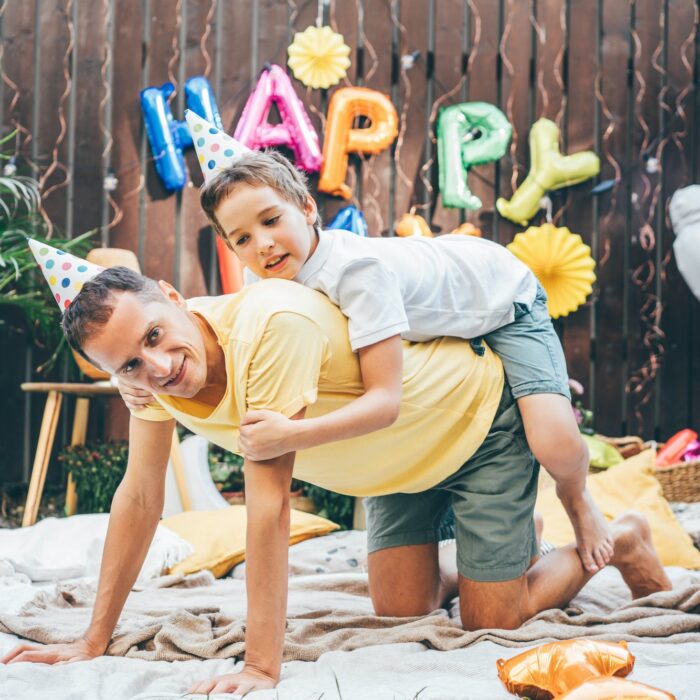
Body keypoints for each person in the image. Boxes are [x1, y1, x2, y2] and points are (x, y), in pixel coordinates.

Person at [2, 252, 672, 697]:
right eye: (126, 365)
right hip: (393, 464)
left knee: (486, 620)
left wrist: (262, 665)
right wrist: (93, 637)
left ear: (175, 298)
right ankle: (499, 544)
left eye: (153, 336)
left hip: (473, 423)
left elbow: (268, 507)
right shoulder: (148, 383)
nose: (156, 367)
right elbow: (140, 495)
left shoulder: (269, 326)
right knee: (400, 609)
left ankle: (628, 536)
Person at [125, 116, 611, 574]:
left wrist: (291, 435)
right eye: (243, 238)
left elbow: (385, 402)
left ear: (308, 208)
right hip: (439, 329)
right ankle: (532, 493)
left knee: (552, 437)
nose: (264, 244)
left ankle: (576, 498)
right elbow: (204, 324)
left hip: (501, 298)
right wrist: (132, 377)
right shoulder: (264, 283)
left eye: (272, 220)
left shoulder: (355, 273)